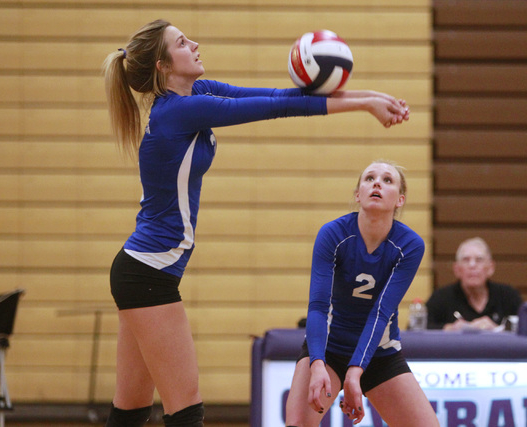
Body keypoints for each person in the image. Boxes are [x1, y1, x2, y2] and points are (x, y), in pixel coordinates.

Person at [102, 20, 410, 427]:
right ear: (162, 65)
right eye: (181, 42)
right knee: (186, 410)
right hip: (149, 274)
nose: (194, 43)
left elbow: (274, 95)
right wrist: (366, 104)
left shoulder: (197, 92)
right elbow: (278, 108)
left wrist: (372, 97)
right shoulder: (180, 111)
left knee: (130, 411)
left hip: (141, 269)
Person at [285, 161, 440, 427]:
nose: (377, 183)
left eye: (388, 180)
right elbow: (318, 307)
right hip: (328, 350)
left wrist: (355, 372)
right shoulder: (333, 234)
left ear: (400, 200)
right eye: (369, 178)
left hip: (380, 354)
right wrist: (317, 364)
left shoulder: (409, 245)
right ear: (358, 194)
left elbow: (382, 311)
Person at [426, 237, 522, 331]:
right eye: (466, 260)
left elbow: (526, 329)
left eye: (479, 260)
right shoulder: (441, 298)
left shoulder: (508, 296)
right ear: (456, 269)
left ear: (490, 268)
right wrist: (450, 328)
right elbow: (418, 330)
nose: (472, 265)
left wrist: (497, 329)